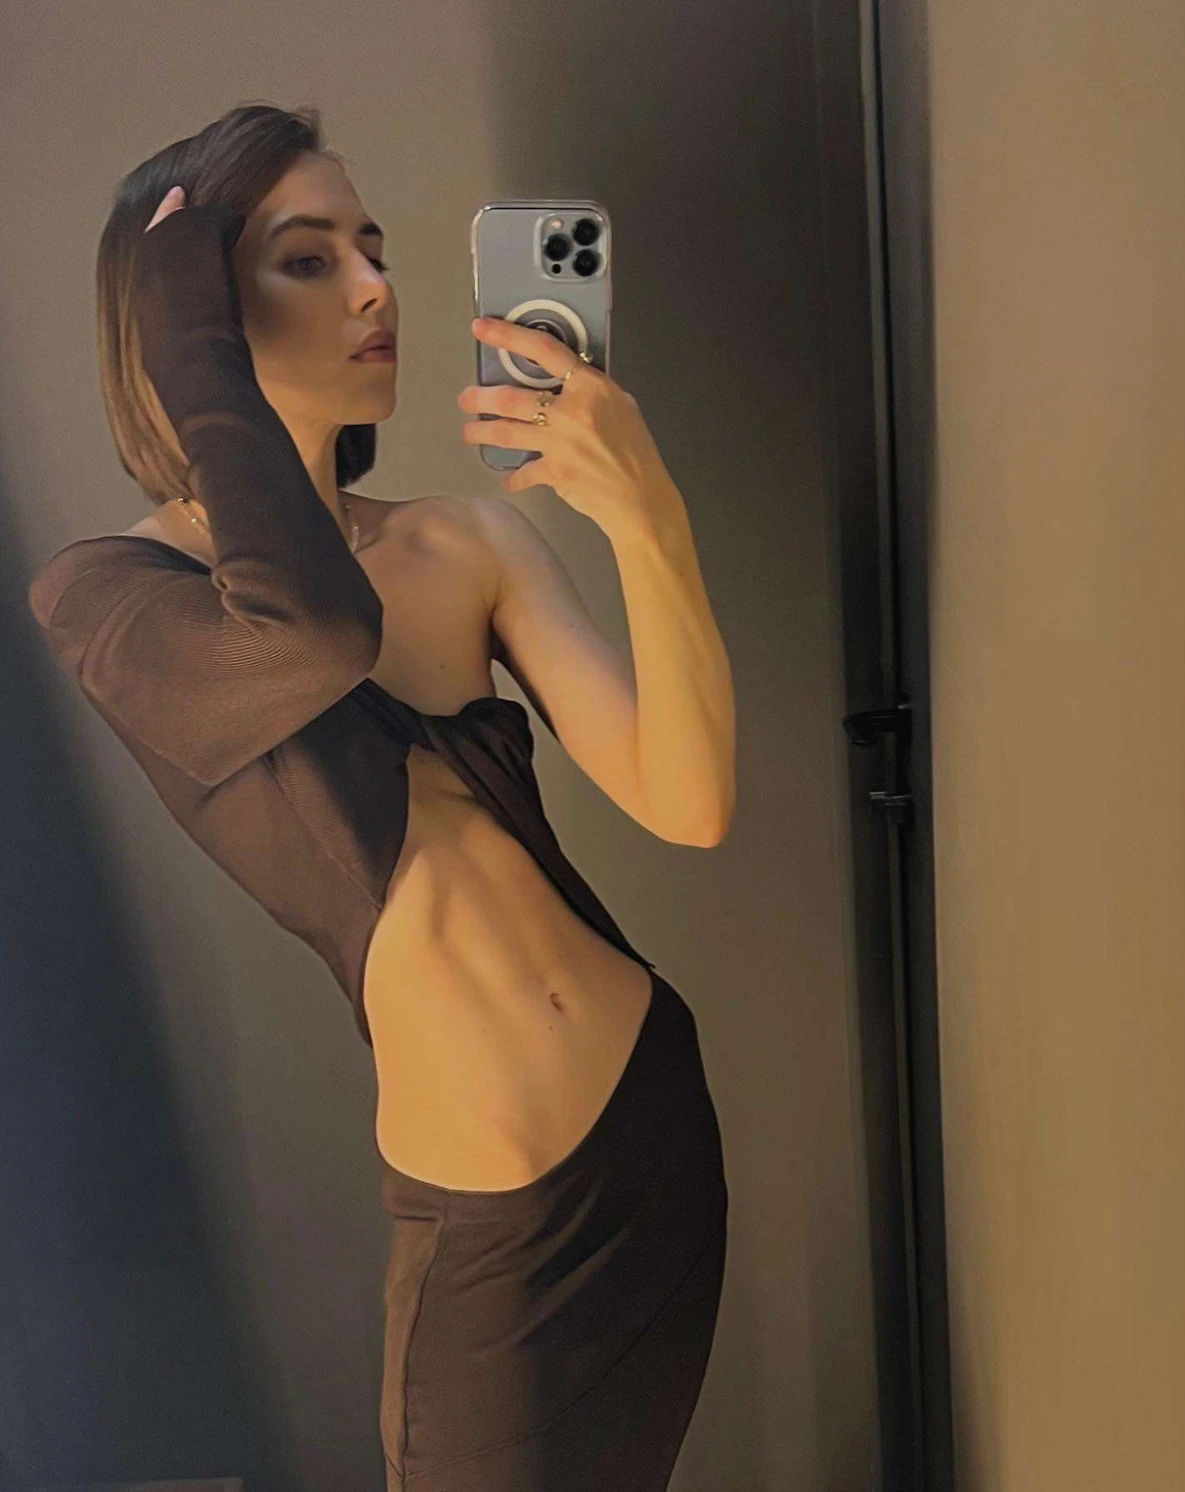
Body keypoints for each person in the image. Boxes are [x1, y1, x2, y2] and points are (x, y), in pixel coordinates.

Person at [27, 103, 734, 1490]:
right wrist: (187, 346)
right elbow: (308, 636)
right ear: (187, 318)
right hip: (496, 1217)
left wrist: (648, 516)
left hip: (651, 1129)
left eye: (375, 250)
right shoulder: (107, 597)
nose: (374, 290)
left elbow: (689, 800)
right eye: (309, 260)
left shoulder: (464, 539)